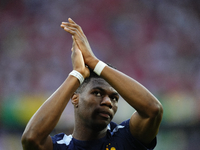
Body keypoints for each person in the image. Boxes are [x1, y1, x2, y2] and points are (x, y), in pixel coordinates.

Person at [21, 18, 163, 150]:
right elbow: (31, 139)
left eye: (114, 98)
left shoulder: (125, 139)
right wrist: (77, 74)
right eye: (97, 93)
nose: (108, 102)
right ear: (75, 98)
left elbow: (153, 110)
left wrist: (93, 61)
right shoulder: (61, 147)